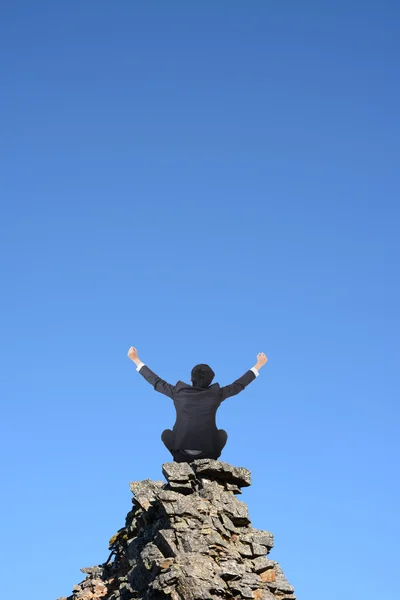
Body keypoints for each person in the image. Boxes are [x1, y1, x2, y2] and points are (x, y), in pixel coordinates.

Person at [127, 347, 268, 463]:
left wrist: (136, 359)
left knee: (166, 434)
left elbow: (156, 381)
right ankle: (209, 464)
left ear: (191, 379)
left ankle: (183, 464)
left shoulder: (179, 392)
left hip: (181, 454)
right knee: (222, 434)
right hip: (208, 453)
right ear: (211, 381)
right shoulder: (216, 394)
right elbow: (238, 385)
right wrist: (259, 365)